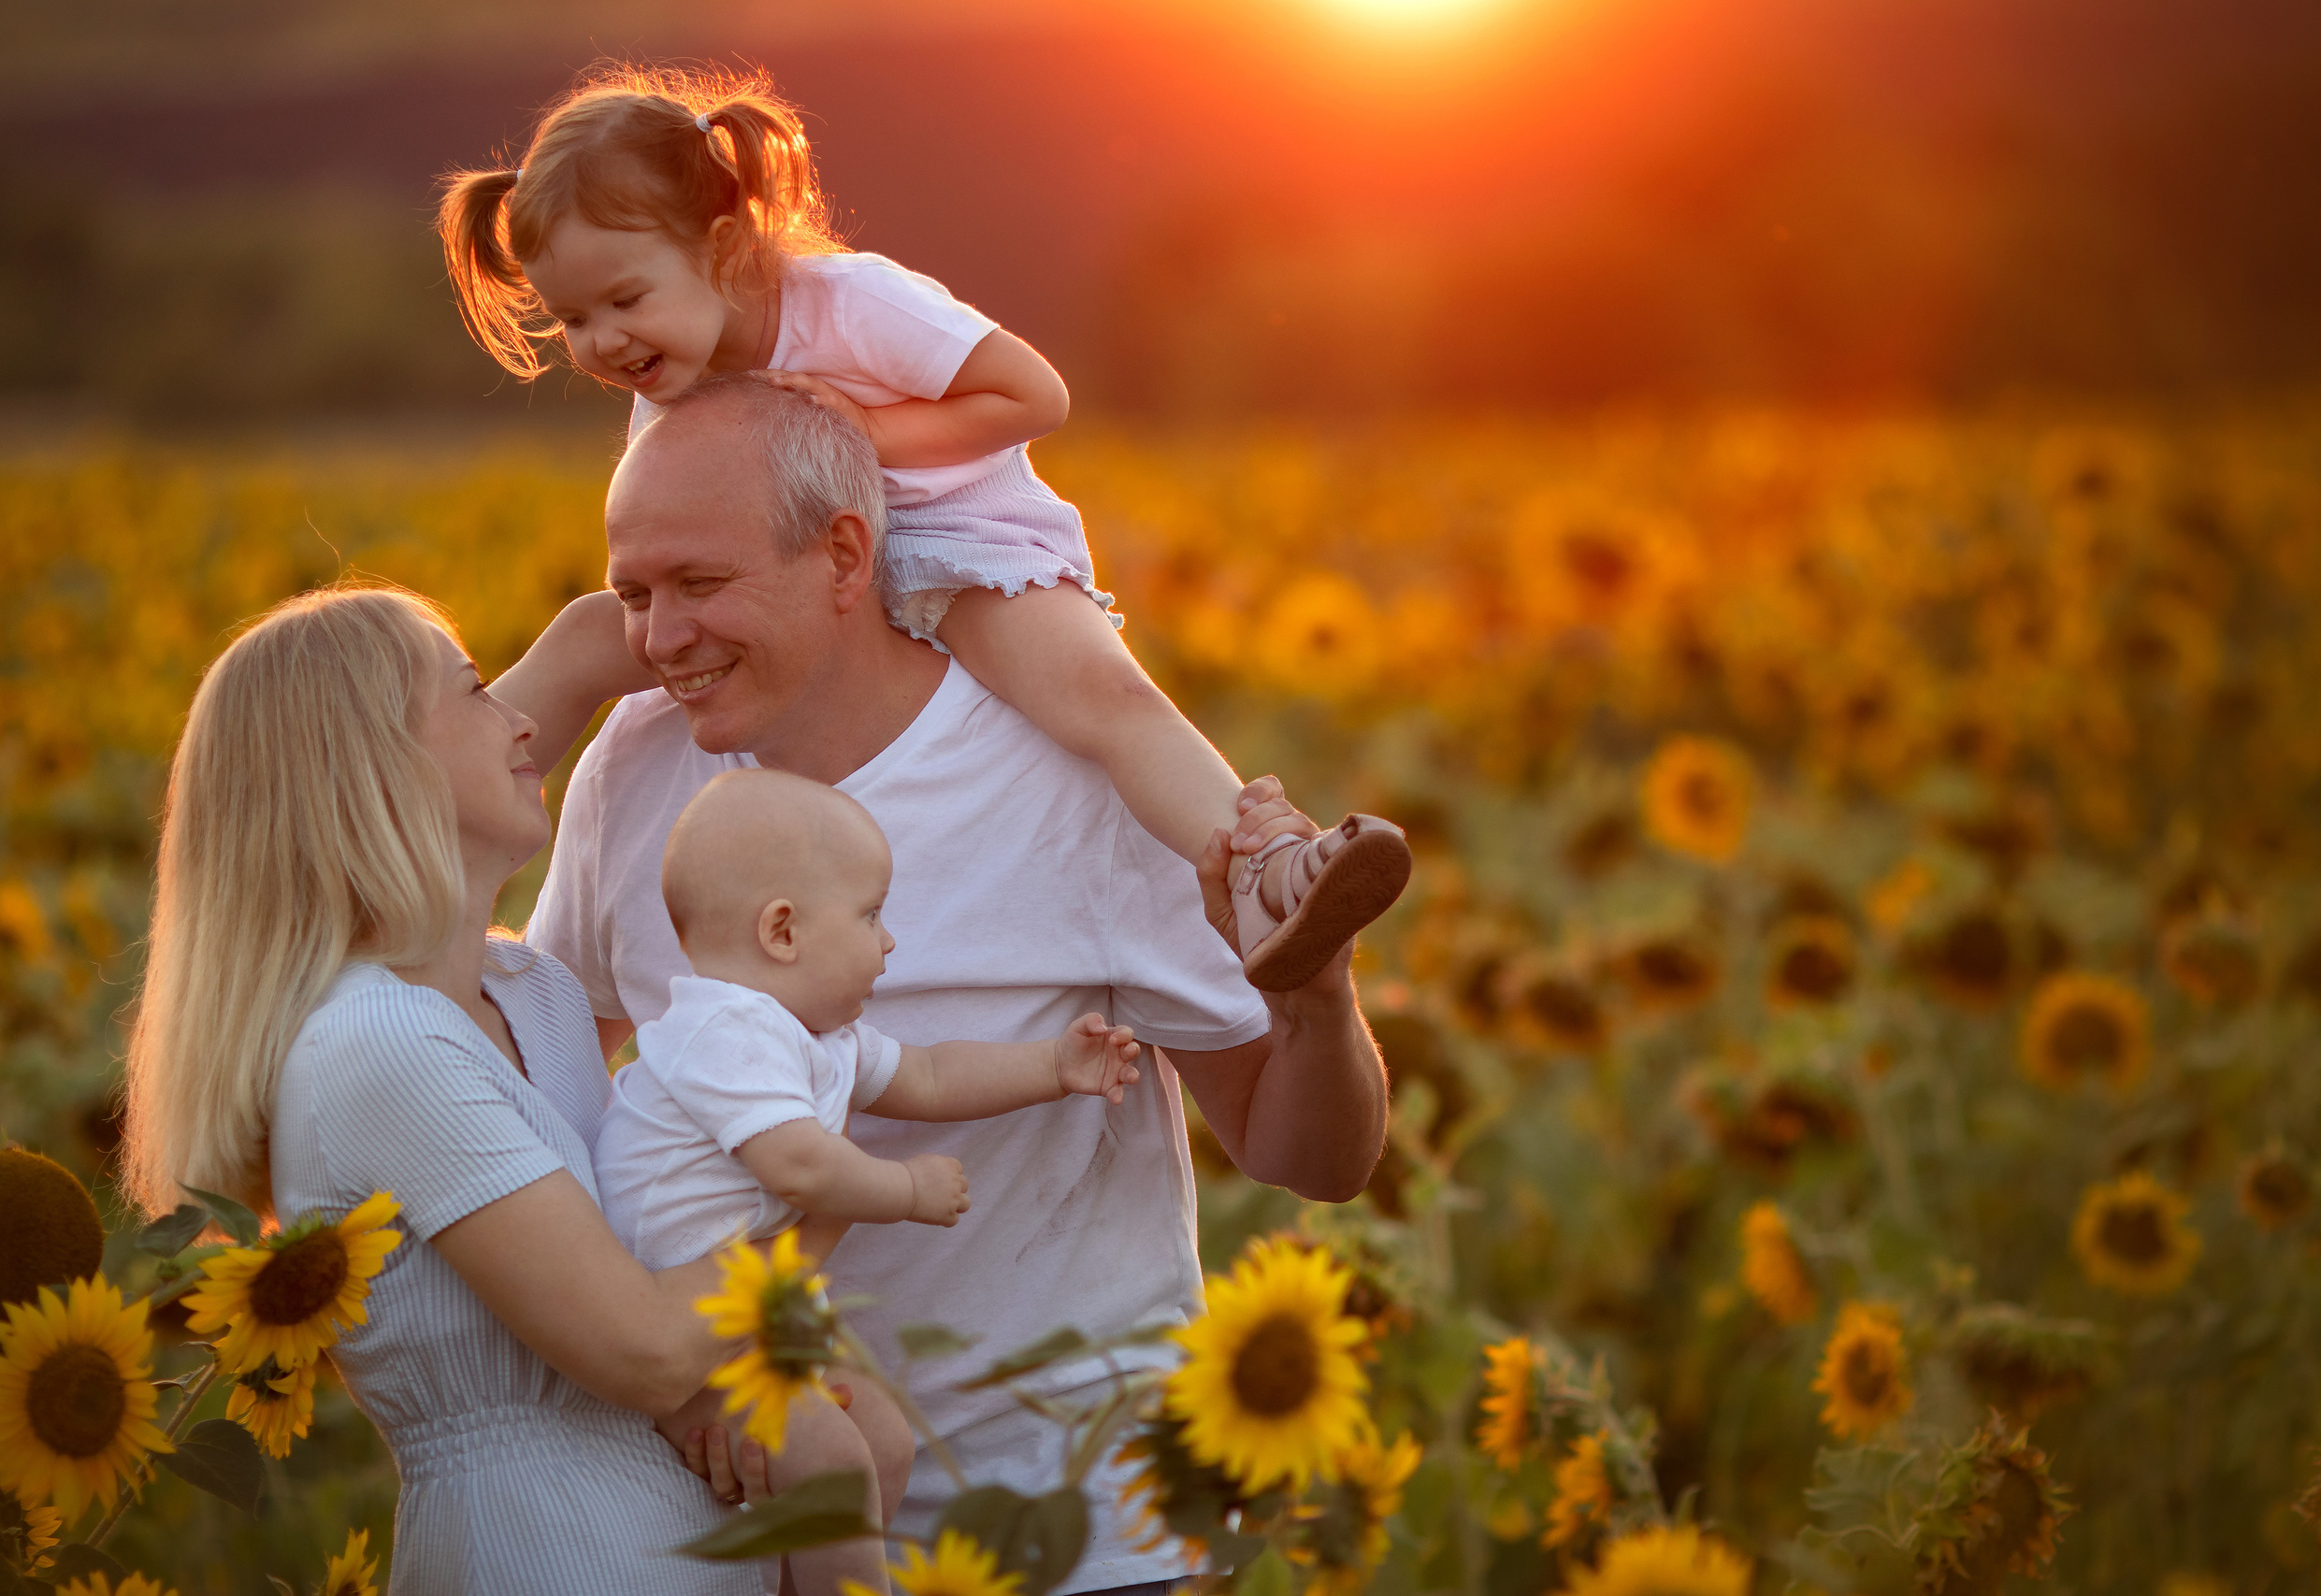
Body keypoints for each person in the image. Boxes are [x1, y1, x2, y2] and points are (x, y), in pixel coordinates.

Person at [515, 374, 1392, 1595]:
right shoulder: (634, 765)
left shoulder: (1069, 773)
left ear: (844, 553)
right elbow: (553, 1104)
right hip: (767, 1522)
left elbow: (1311, 1157)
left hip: (1077, 1520)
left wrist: (1316, 1004)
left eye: (701, 584)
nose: (660, 639)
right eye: (633, 594)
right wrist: (676, 1366)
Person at [440, 63, 1410, 992]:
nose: (603, 341)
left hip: (956, 546)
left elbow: (1034, 397)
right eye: (572, 318)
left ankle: (1264, 872)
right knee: (584, 636)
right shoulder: (666, 377)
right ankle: (423, 812)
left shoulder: (851, 303)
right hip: (806, 579)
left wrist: (865, 434)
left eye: (625, 299)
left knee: (1099, 696)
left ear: (724, 246)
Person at [116, 585, 772, 1595]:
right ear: (369, 769)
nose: (521, 722)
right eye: (475, 690)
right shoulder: (375, 1043)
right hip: (545, 1554)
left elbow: (652, 1266)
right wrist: (823, 1191)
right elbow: (645, 1348)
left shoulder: (535, 992)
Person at [596, 766, 1145, 1549]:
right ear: (782, 931)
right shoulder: (725, 1031)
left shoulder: (821, 1037)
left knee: (884, 1442)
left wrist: (1053, 1065)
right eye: (871, 913)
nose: (888, 940)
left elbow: (930, 1074)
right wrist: (907, 1187)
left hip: (755, 1324)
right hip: (679, 1333)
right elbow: (798, 1165)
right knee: (831, 1464)